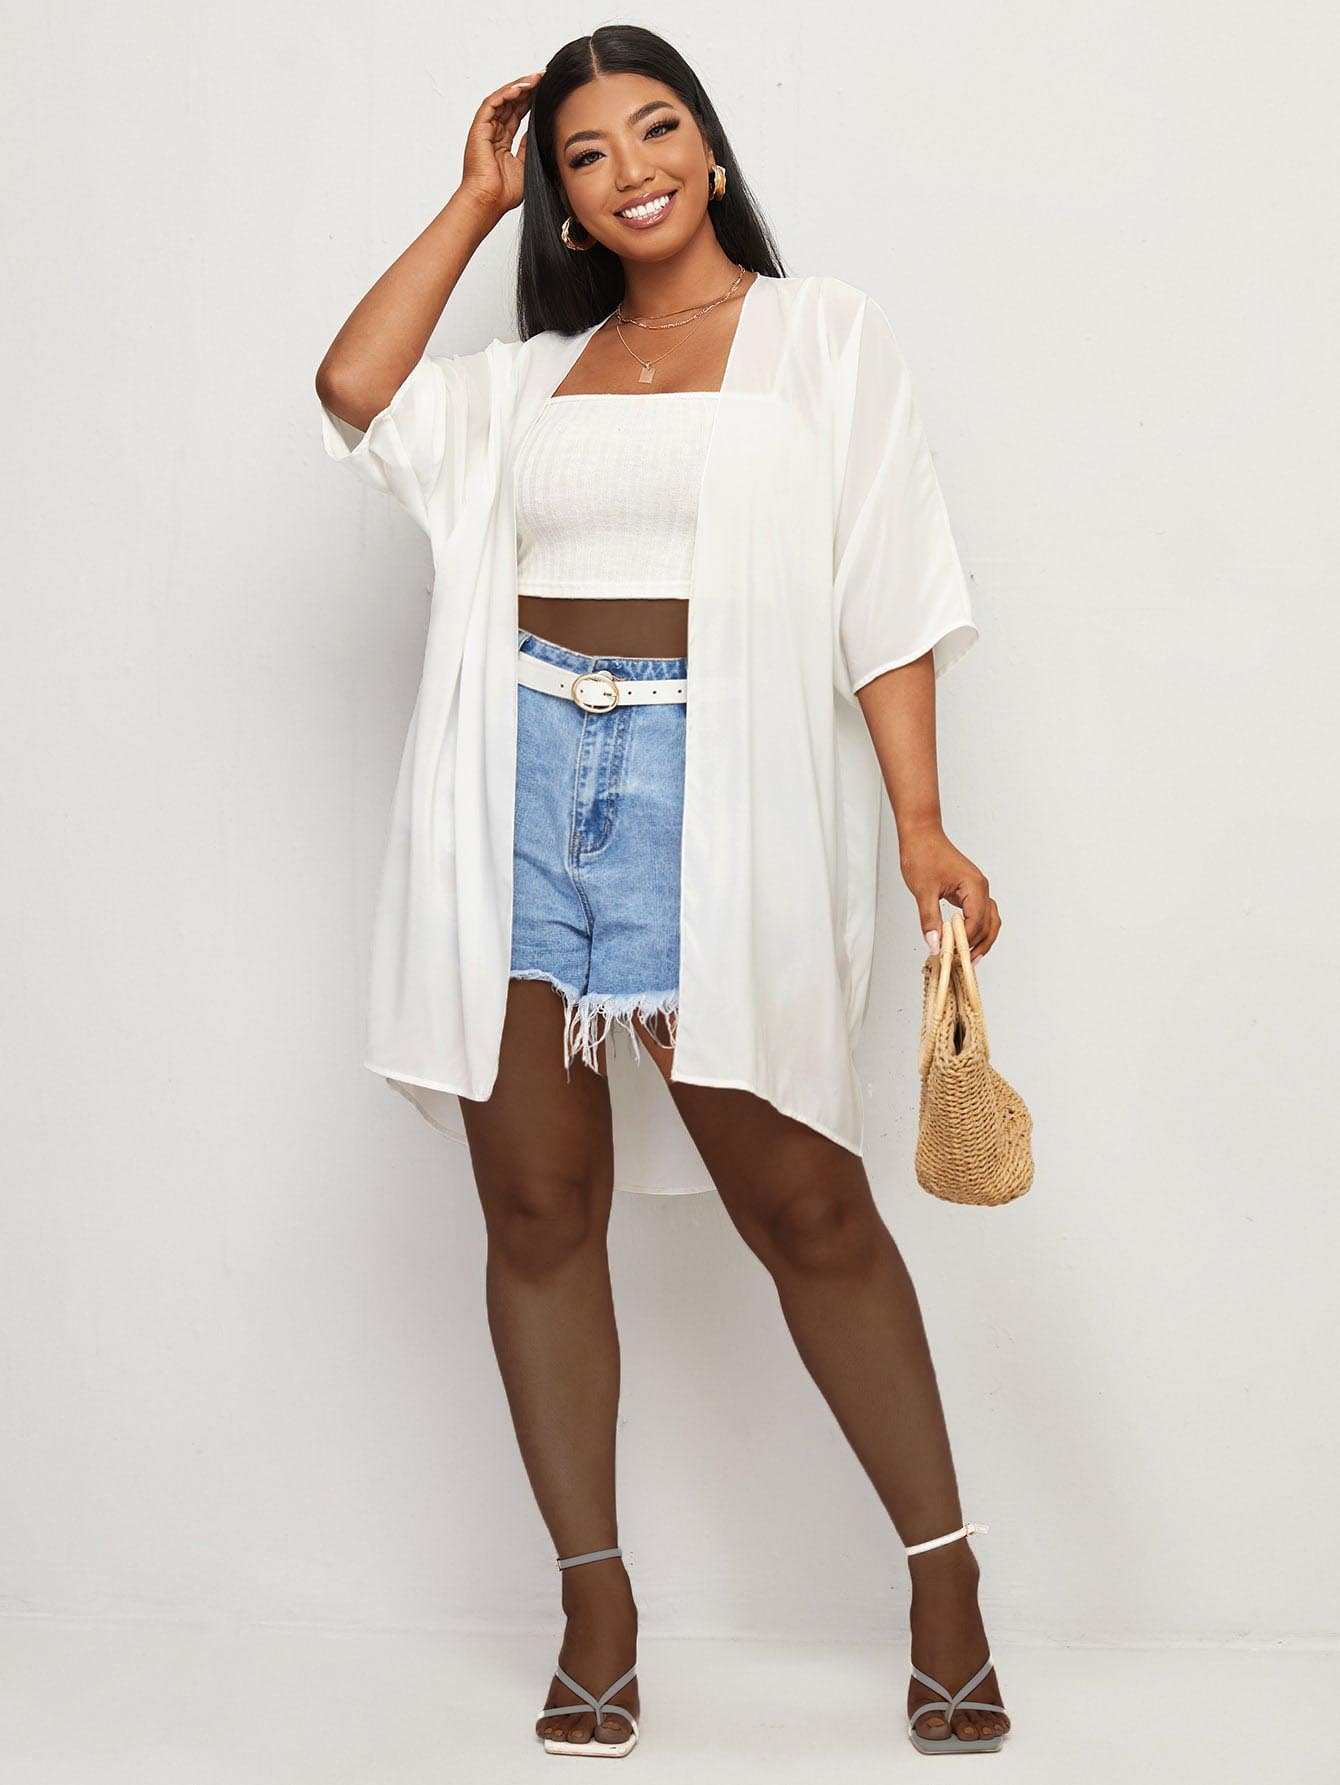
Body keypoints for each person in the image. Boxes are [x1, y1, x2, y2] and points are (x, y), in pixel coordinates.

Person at [315, 24, 1009, 1760]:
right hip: (518, 786)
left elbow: (887, 585)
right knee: (539, 1212)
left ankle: (944, 1585)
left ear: (708, 147)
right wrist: (469, 204)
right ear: (559, 196)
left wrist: (923, 821)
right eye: (583, 154)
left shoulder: (820, 336)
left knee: (809, 1206)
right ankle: (596, 1604)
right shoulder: (530, 378)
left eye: (655, 128)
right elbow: (355, 388)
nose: (629, 169)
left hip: (726, 801)